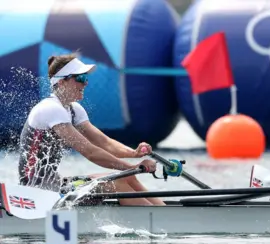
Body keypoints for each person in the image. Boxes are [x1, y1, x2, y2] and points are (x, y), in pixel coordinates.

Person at [18, 53, 169, 206]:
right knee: (119, 185)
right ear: (62, 81)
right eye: (80, 78)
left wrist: (133, 153)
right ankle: (156, 221)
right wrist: (132, 167)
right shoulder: (51, 109)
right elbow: (90, 152)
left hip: (55, 181)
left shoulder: (74, 109)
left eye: (86, 78)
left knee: (126, 177)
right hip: (36, 188)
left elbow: (105, 143)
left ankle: (164, 214)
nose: (85, 84)